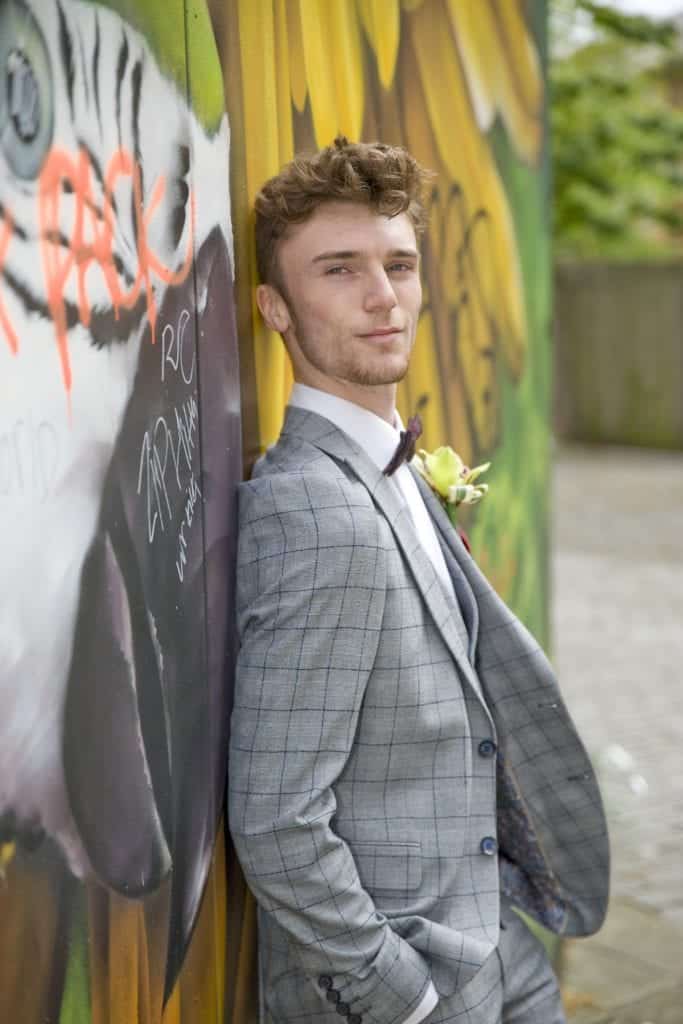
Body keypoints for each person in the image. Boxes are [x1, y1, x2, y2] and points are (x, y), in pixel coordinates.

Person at [228, 137, 609, 1024]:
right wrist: (395, 994)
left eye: (398, 264)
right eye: (338, 270)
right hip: (412, 982)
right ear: (274, 308)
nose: (381, 296)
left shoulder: (392, 470)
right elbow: (276, 817)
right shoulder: (316, 512)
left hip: (495, 940)